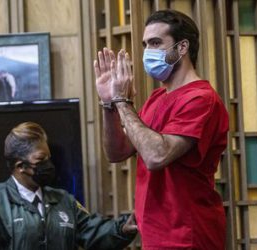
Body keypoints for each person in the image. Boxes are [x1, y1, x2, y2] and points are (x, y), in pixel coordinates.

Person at [94, 9, 228, 250]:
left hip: (187, 235)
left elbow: (157, 155)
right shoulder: (156, 97)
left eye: (156, 43)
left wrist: (122, 101)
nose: (148, 52)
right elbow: (117, 152)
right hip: (155, 234)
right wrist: (109, 104)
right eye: (146, 44)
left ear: (182, 47)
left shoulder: (201, 98)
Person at [0, 122, 137, 250]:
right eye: (40, 160)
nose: (49, 165)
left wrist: (123, 228)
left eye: (49, 158)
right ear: (20, 167)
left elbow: (94, 233)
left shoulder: (64, 200)